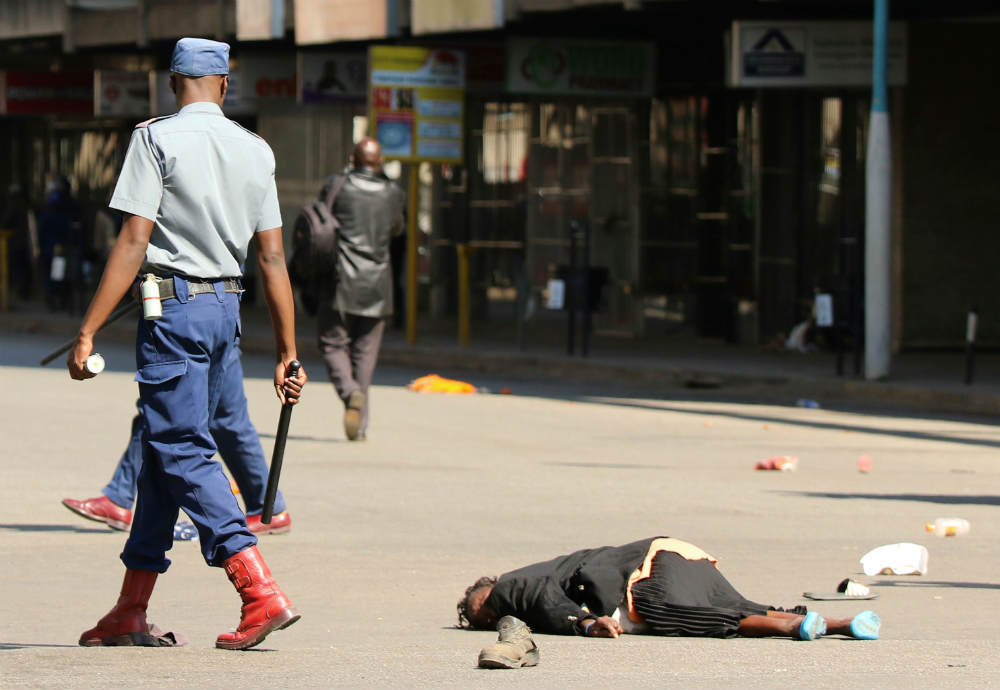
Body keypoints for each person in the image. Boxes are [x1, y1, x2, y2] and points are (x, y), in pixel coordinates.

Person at [65, 37, 306, 650]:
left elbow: (131, 241)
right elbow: (273, 257)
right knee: (159, 460)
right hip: (227, 311)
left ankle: (258, 590)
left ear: (173, 83)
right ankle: (131, 608)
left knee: (179, 446)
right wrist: (287, 350)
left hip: (172, 311)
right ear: (225, 83)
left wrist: (88, 329)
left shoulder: (154, 138)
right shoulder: (256, 151)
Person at [457, 536, 880, 659]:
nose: (490, 619)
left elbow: (550, 603)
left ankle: (791, 627)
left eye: (484, 613)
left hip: (647, 571)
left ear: (489, 595)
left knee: (678, 615)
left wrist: (585, 624)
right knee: (731, 607)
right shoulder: (542, 574)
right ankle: (838, 623)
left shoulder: (512, 586)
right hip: (677, 554)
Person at [62, 362, 292, 536]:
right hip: (211, 316)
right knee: (222, 418)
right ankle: (266, 507)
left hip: (194, 319)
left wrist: (87, 332)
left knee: (164, 409)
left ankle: (120, 497)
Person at [316, 137, 404, 441]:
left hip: (340, 280)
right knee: (365, 353)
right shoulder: (393, 193)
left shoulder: (338, 186)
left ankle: (350, 391)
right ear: (379, 163)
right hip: (378, 283)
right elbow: (397, 229)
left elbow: (320, 223)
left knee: (332, 342)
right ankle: (360, 424)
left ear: (353, 159)